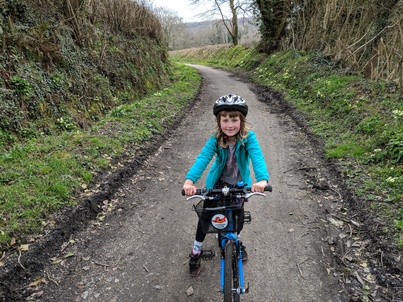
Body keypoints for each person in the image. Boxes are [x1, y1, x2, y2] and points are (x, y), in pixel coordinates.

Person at [183, 94, 270, 276]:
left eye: (234, 119)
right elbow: (203, 158)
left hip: (239, 186)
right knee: (205, 219)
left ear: (242, 120)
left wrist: (262, 180)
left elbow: (257, 157)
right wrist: (190, 181)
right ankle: (196, 251)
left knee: (236, 218)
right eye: (225, 120)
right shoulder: (216, 139)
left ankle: (235, 241)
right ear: (219, 121)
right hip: (217, 184)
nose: (230, 125)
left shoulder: (249, 138)